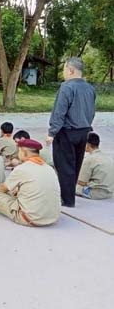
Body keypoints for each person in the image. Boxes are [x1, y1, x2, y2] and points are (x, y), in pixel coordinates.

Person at [47, 57, 96, 207]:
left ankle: (67, 200)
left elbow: (59, 112)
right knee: (76, 164)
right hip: (84, 131)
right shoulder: (90, 88)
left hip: (67, 131)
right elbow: (91, 112)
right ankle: (69, 194)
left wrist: (52, 132)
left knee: (64, 165)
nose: (63, 72)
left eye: (64, 69)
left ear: (70, 70)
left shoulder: (67, 87)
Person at [0, 139, 61, 227]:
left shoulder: (22, 168)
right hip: (53, 218)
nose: (18, 155)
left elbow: (2, 188)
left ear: (24, 153)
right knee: (16, 191)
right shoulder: (49, 168)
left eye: (19, 151)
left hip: (30, 219)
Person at [76, 132, 114, 199]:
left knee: (70, 186)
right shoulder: (108, 157)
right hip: (110, 193)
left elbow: (81, 182)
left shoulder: (89, 159)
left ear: (88, 145)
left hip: (95, 194)